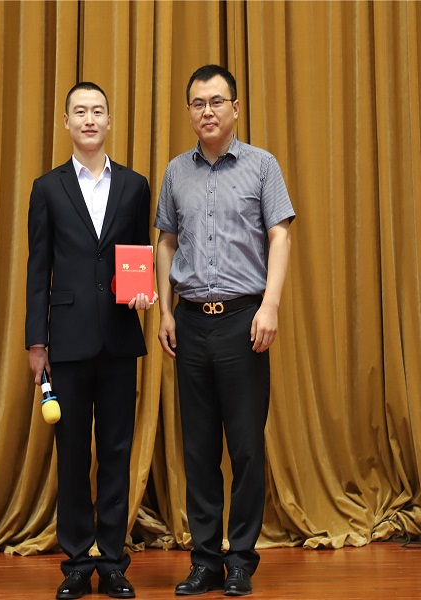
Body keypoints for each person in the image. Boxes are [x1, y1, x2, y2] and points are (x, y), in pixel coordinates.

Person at [154, 65, 294, 597]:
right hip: (190, 324)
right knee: (198, 450)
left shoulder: (262, 166)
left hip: (243, 321)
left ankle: (241, 560)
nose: (207, 111)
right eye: (198, 103)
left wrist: (270, 304)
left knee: (246, 447)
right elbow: (166, 242)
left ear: (235, 107)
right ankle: (206, 560)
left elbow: (279, 235)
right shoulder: (176, 171)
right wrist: (166, 312)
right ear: (189, 111)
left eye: (217, 101)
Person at [26, 82, 156, 600]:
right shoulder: (47, 188)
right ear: (66, 122)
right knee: (73, 455)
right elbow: (38, 269)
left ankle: (114, 562)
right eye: (79, 111)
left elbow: (139, 256)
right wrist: (37, 342)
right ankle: (78, 563)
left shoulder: (135, 185)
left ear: (109, 120)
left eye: (97, 111)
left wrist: (144, 293)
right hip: (67, 341)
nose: (89, 119)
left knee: (118, 452)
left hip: (120, 338)